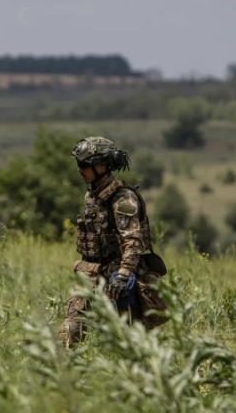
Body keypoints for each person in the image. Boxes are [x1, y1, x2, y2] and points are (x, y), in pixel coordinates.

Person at [57, 137, 168, 347]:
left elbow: (133, 242)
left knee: (128, 342)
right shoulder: (91, 196)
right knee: (69, 332)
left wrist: (123, 276)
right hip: (90, 275)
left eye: (84, 165)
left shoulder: (122, 200)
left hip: (117, 279)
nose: (79, 170)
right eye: (78, 165)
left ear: (102, 166)